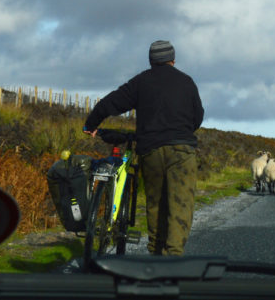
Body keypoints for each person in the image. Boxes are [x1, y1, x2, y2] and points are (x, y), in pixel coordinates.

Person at [84, 40, 204, 256]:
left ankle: (155, 253)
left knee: (155, 204)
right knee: (181, 205)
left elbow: (111, 102)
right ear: (173, 60)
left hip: (151, 150)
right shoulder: (187, 82)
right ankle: (173, 257)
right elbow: (197, 117)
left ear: (151, 61)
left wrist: (91, 124)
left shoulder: (141, 82)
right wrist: (181, 132)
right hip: (182, 151)